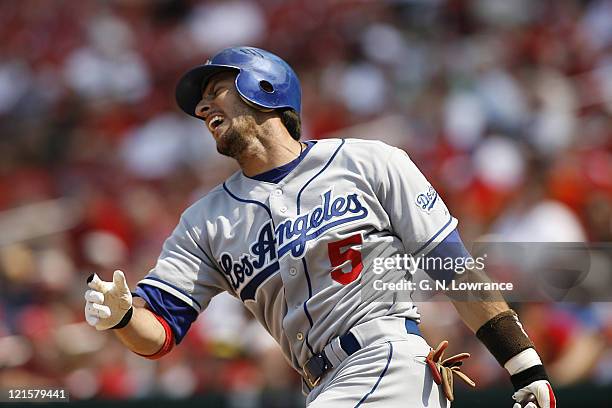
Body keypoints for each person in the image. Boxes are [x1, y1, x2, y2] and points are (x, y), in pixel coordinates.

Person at [84, 46, 556, 407]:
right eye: (200, 105)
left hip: (389, 359)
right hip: (322, 384)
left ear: (264, 87)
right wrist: (123, 317)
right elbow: (161, 332)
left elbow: (453, 268)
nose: (203, 109)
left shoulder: (367, 160)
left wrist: (525, 367)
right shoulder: (203, 223)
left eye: (215, 93)